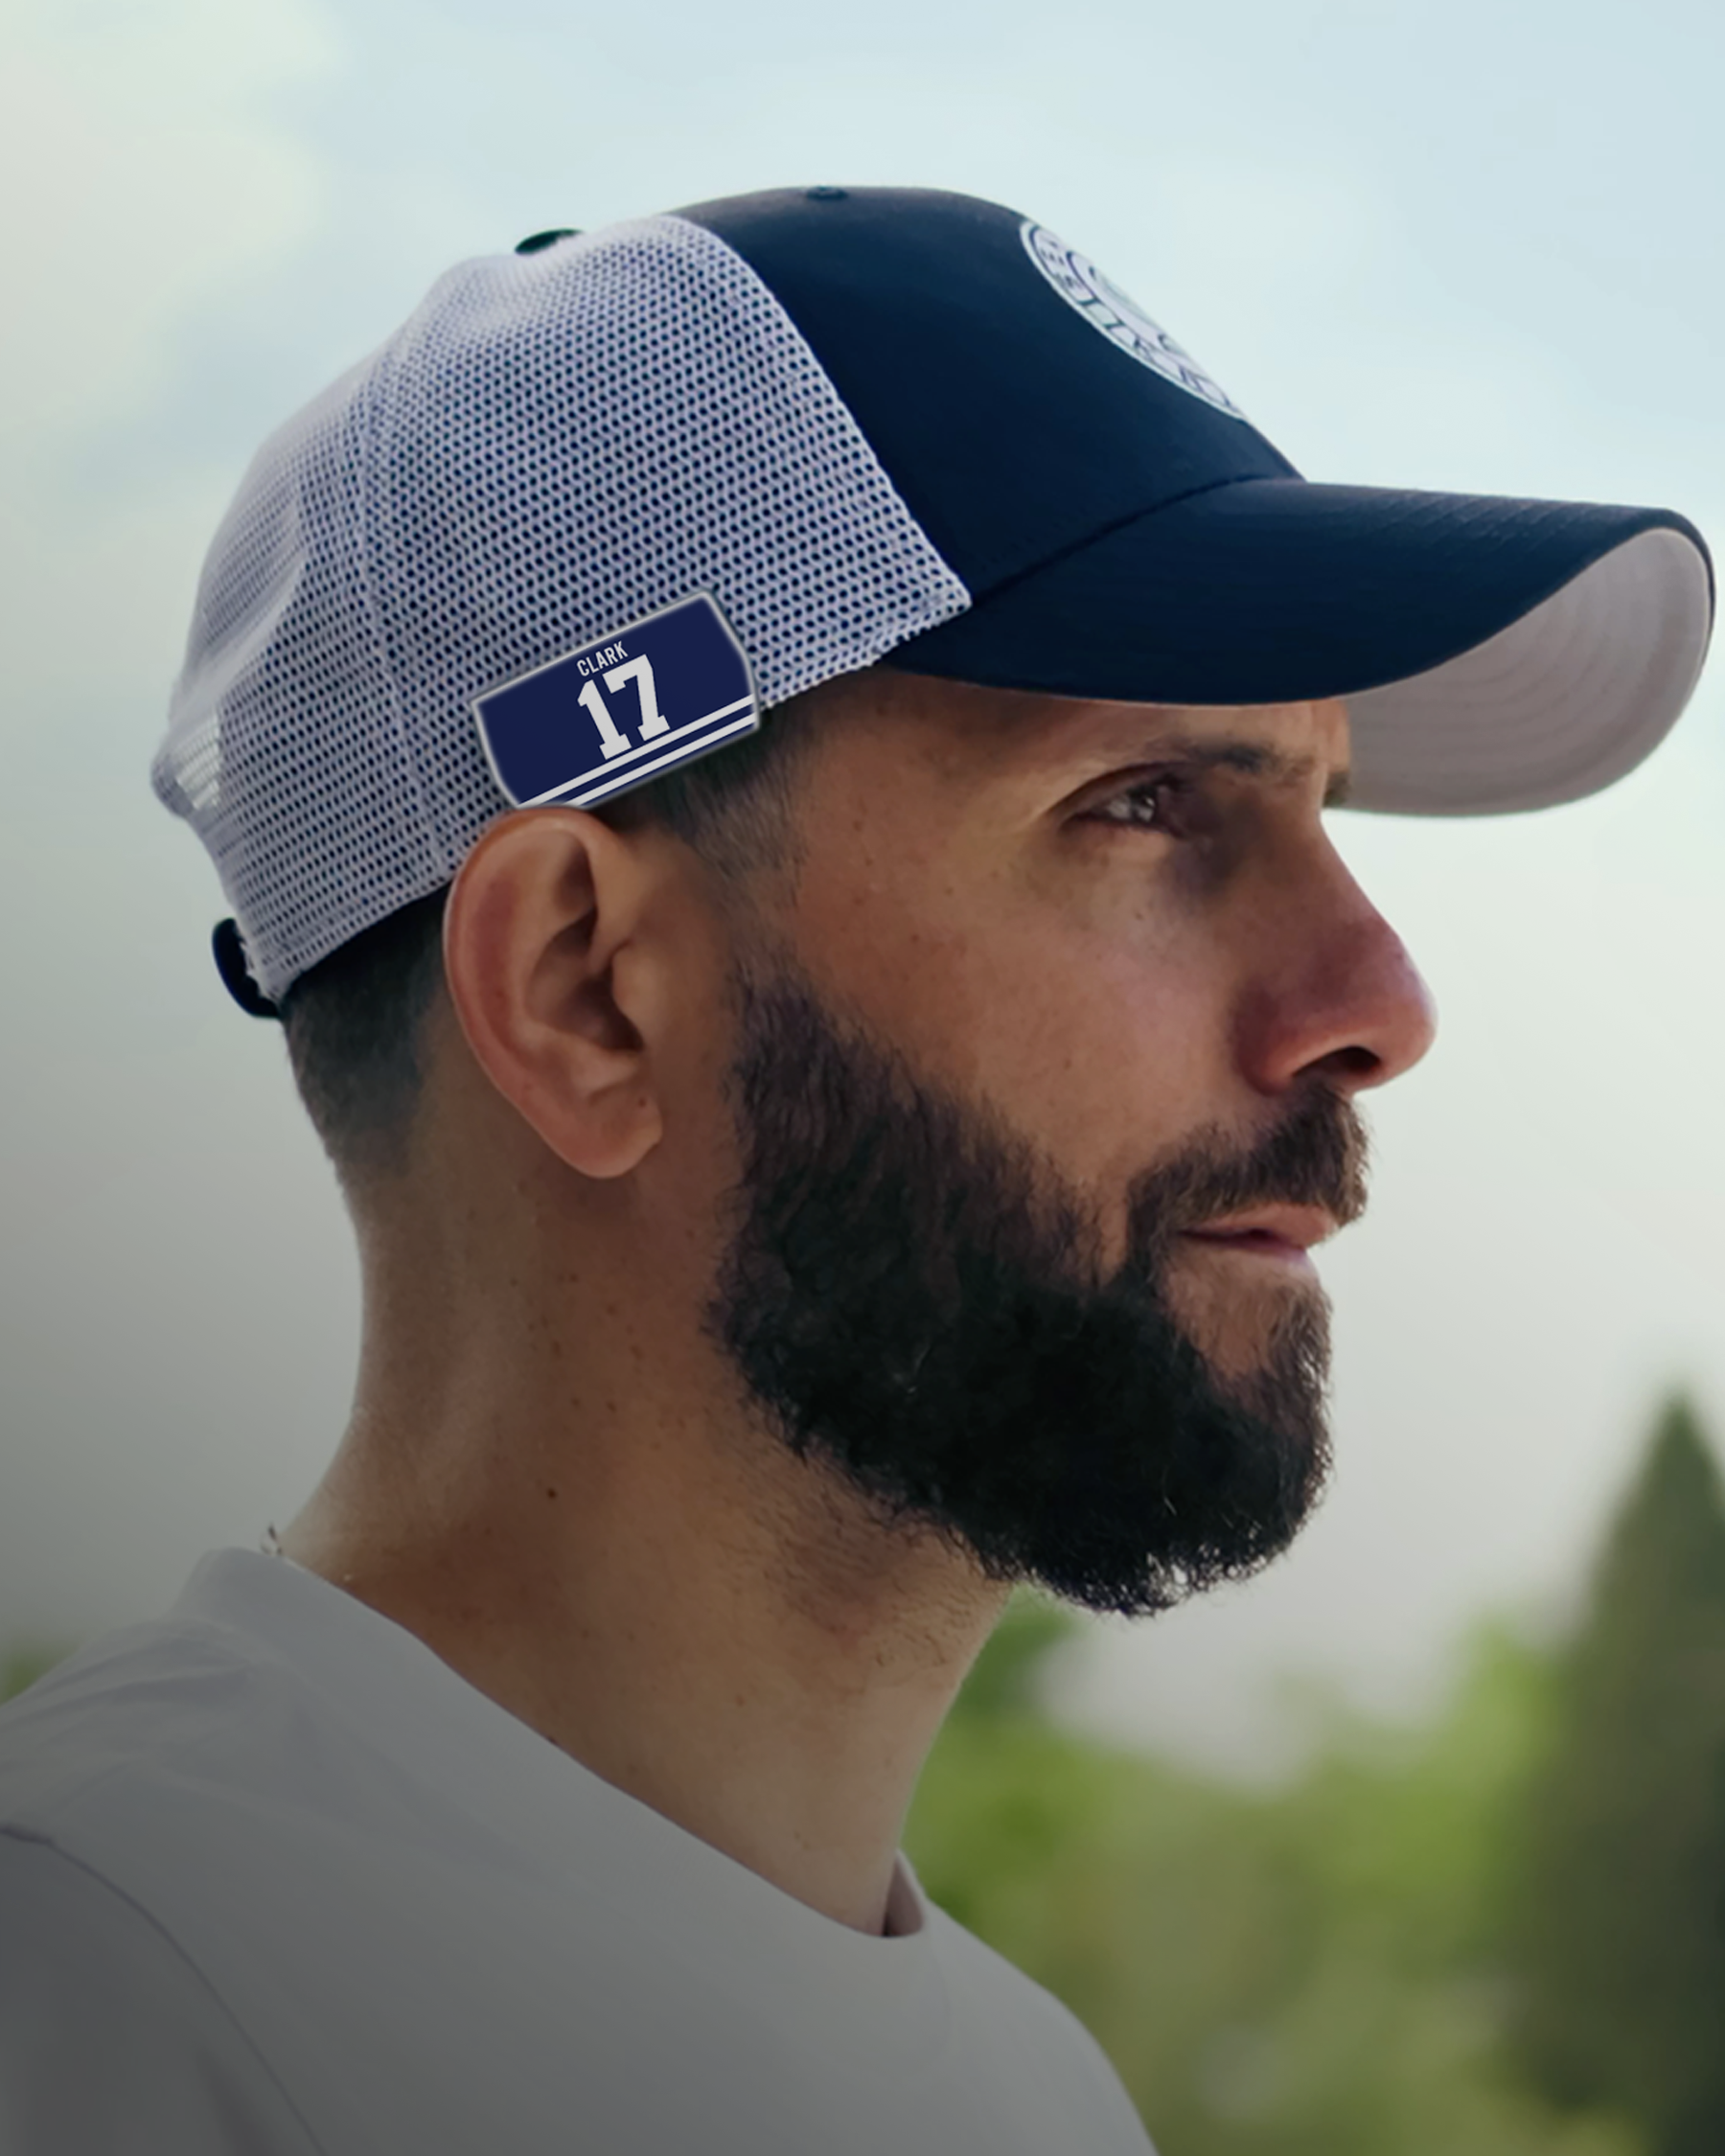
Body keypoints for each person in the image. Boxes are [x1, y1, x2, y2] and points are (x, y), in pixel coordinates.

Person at [0, 185, 1711, 2154]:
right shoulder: (91, 1998)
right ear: (586, 992)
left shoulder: (1035, 2098)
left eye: (1319, 804)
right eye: (1148, 805)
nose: (1379, 999)